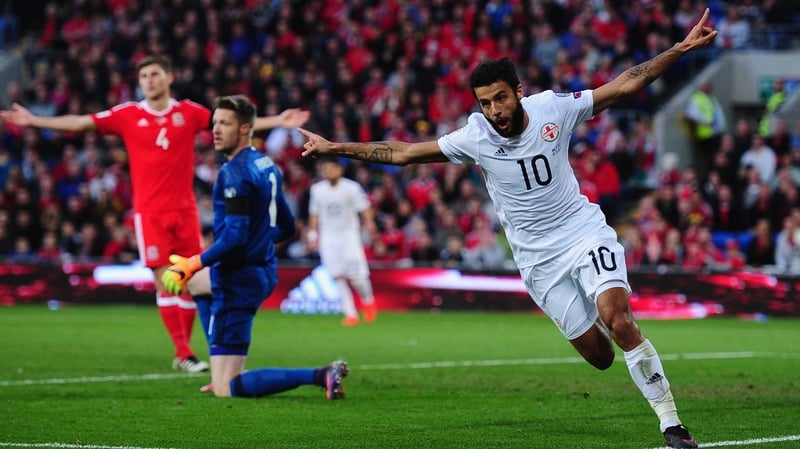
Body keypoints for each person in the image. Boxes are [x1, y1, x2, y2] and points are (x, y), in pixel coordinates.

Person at [299, 9, 718, 448]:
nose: (494, 110)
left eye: (500, 98)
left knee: (619, 320)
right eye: (484, 103)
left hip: (581, 232)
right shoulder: (474, 137)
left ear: (518, 92)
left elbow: (625, 83)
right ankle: (603, 318)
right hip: (537, 260)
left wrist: (680, 48)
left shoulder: (553, 108)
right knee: (599, 357)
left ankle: (672, 424)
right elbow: (403, 153)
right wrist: (336, 148)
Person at [0, 55, 310, 373]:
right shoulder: (128, 115)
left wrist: (277, 121)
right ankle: (183, 352)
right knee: (164, 281)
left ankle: (192, 350)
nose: (149, 80)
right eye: (144, 76)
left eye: (155, 74)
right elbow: (80, 123)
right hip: (149, 213)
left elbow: (232, 124)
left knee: (190, 279)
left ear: (169, 77)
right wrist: (33, 121)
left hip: (185, 210)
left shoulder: (188, 112)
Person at [161, 94, 347, 399]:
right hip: (262, 269)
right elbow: (286, 226)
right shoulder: (266, 164)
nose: (216, 130)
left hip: (237, 278)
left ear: (245, 129)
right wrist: (257, 242)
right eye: (215, 123)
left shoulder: (235, 172)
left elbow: (234, 238)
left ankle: (319, 374)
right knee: (197, 285)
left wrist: (192, 263)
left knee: (226, 388)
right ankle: (220, 367)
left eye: (225, 123)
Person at [307, 157, 378, 326]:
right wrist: (312, 234)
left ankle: (368, 300)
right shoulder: (317, 190)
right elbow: (314, 213)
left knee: (357, 277)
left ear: (340, 170)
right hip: (328, 237)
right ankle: (350, 314)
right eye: (326, 169)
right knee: (338, 277)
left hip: (349, 235)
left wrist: (369, 223)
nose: (329, 172)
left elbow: (365, 208)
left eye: (332, 168)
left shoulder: (351, 188)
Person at [684, 79, 726, 178]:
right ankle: (708, 177)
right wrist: (705, 120)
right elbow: (691, 113)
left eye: (708, 85)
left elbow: (717, 114)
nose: (707, 87)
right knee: (708, 159)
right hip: (704, 134)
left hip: (715, 132)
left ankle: (714, 176)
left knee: (716, 157)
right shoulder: (696, 98)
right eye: (705, 85)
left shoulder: (712, 98)